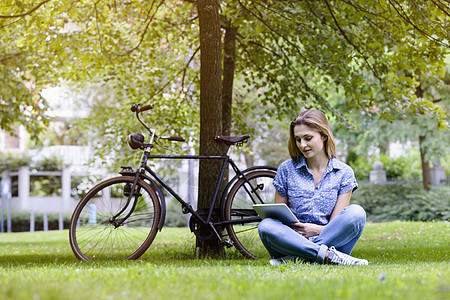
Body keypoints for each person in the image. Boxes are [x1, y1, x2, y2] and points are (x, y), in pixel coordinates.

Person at [258, 110, 368, 266]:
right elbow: (280, 217)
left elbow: (335, 225)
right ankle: (326, 256)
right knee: (266, 225)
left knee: (357, 213)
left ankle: (298, 256)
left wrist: (315, 230)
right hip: (293, 239)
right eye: (298, 139)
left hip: (331, 241)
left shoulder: (344, 173)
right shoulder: (286, 169)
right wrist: (297, 235)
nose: (302, 145)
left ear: (324, 136)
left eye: (308, 138)